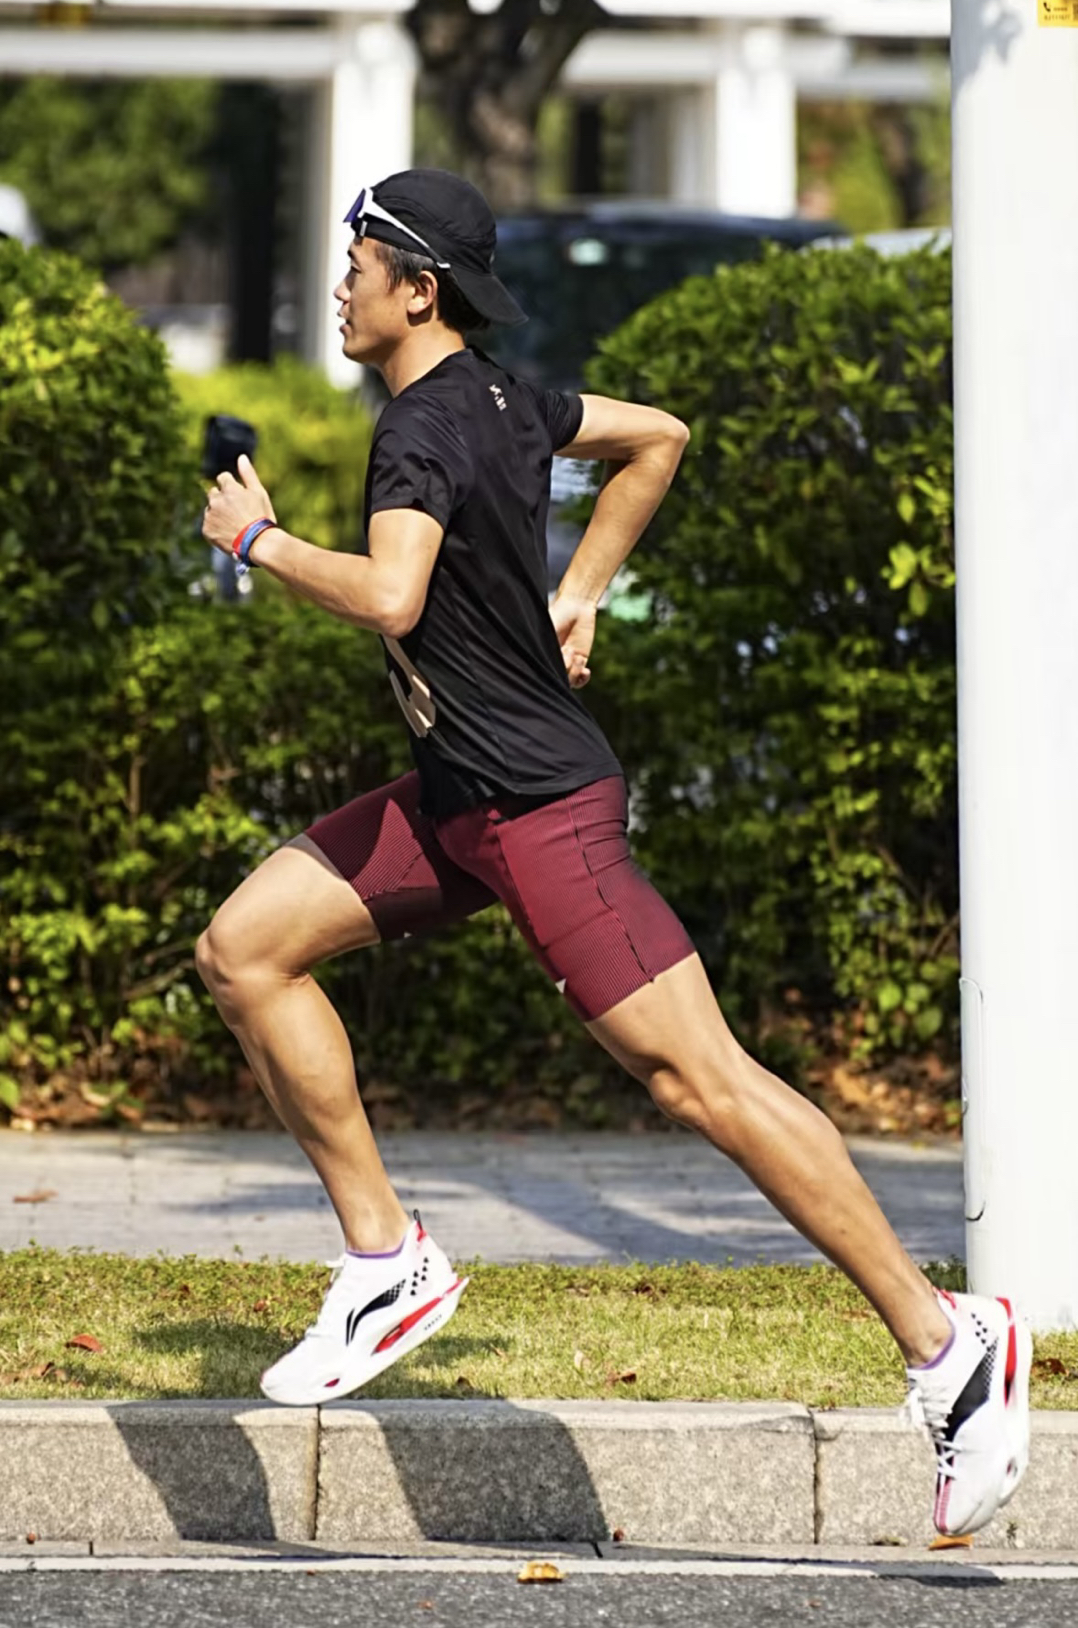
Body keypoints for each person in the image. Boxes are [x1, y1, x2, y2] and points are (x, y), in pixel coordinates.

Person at [198, 167, 1030, 1538]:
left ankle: (948, 1345)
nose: (340, 287)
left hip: (537, 813)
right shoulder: (506, 399)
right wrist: (575, 594)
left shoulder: (420, 428)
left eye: (358, 265)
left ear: (420, 289)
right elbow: (660, 435)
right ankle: (387, 1262)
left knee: (702, 1080)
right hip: (461, 800)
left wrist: (261, 542)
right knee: (243, 951)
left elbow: (392, 593)